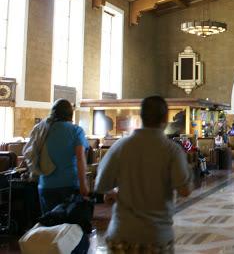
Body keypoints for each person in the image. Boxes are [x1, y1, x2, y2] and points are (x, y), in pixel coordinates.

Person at [95, 96, 192, 252]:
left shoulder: (121, 146)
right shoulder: (172, 150)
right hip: (155, 237)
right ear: (166, 118)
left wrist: (113, 193)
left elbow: (101, 185)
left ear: (141, 116)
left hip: (121, 234)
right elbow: (184, 190)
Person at [37, 99, 90, 254]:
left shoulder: (44, 129)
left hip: (45, 185)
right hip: (69, 185)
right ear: (70, 114)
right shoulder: (76, 131)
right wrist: (84, 185)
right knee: (72, 231)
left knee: (50, 230)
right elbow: (80, 158)